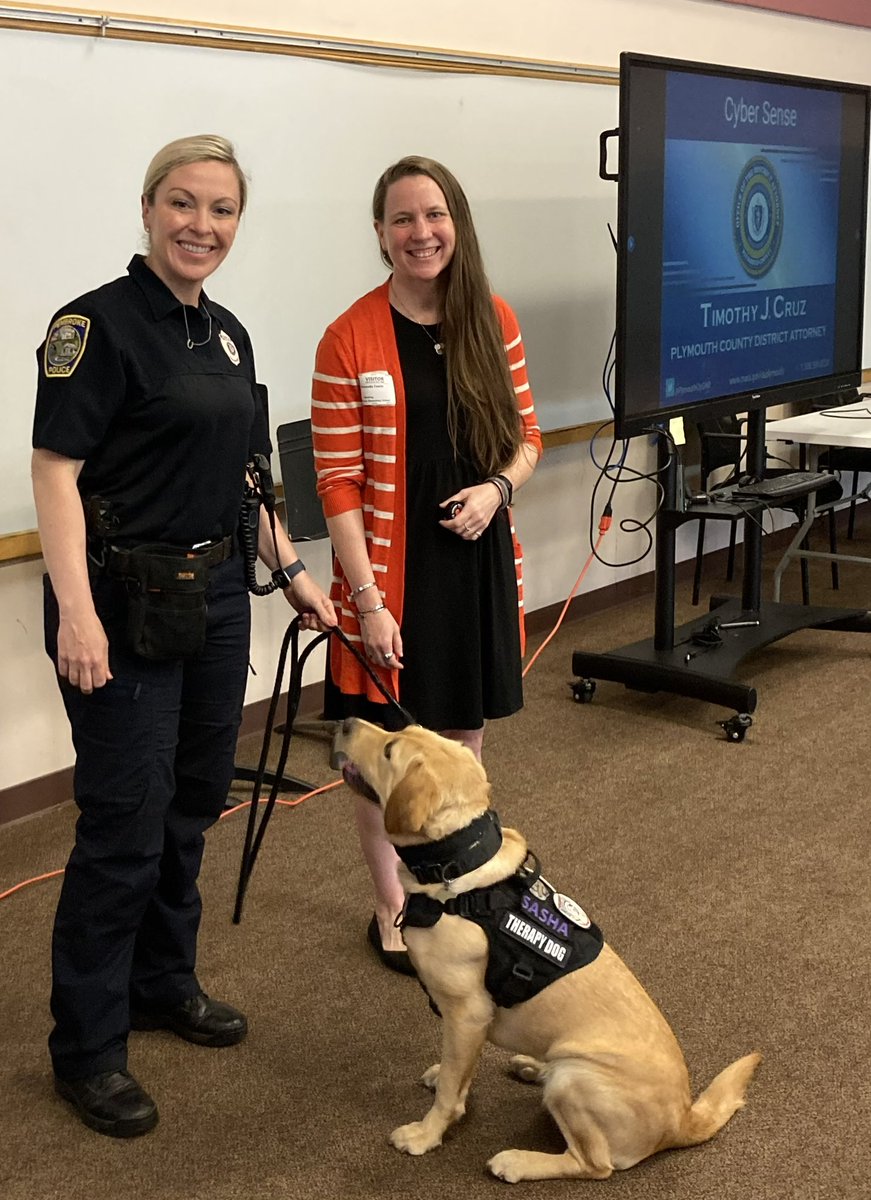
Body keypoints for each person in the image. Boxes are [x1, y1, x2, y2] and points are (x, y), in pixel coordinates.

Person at [31, 134, 335, 1138]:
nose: (201, 224)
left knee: (193, 803)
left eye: (221, 209)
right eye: (182, 203)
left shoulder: (231, 334)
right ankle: (89, 1047)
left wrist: (290, 572)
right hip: (117, 605)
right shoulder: (94, 326)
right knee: (123, 825)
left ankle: (165, 981)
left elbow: (252, 476)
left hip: (210, 603)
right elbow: (56, 475)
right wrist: (74, 611)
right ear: (149, 208)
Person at [311, 155, 541, 974]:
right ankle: (392, 903)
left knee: (461, 736)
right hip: (387, 575)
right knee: (380, 750)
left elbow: (526, 438)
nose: (421, 232)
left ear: (456, 224)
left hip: (470, 565)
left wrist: (495, 491)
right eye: (402, 219)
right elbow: (334, 482)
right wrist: (367, 602)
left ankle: (452, 888)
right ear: (380, 234)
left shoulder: (493, 318)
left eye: (433, 215)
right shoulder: (349, 336)